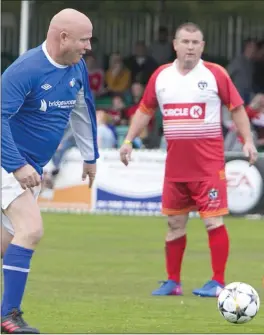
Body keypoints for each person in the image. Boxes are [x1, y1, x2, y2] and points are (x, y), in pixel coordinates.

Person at [120, 22, 258, 298]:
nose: (191, 47)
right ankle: (173, 282)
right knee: (174, 225)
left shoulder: (215, 74)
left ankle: (218, 281)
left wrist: (248, 141)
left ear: (202, 46)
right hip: (175, 168)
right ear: (175, 44)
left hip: (208, 168)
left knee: (213, 223)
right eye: (185, 41)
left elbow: (237, 108)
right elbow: (145, 110)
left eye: (196, 42)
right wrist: (127, 140)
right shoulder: (161, 76)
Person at [1, 8, 99, 334]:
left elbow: (83, 108)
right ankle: (9, 317)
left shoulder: (77, 67)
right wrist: (17, 166)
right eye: (84, 40)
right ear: (63, 37)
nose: (88, 46)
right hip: (7, 162)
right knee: (31, 229)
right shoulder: (25, 69)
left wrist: (90, 156)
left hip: (29, 167)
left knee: (6, 243)